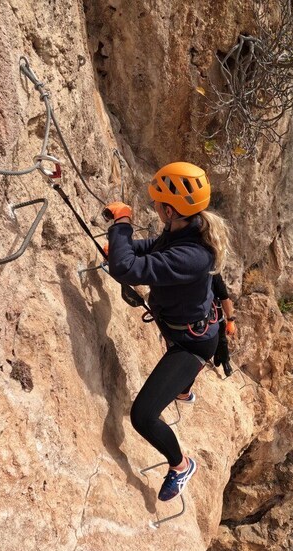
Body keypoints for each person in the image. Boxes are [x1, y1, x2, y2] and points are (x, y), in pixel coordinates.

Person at [103, 161, 232, 502]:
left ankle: (181, 464)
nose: (155, 208)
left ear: (172, 209)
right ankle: (184, 389)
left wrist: (122, 227)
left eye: (159, 204)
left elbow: (126, 268)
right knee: (178, 379)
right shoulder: (184, 230)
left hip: (192, 345)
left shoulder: (193, 254)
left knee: (143, 415)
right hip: (186, 329)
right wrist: (123, 245)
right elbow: (152, 250)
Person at [212, 274, 237, 376]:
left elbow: (224, 297)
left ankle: (225, 362)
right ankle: (216, 354)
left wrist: (230, 320)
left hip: (214, 314)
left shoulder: (213, 275)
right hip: (200, 316)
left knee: (221, 340)